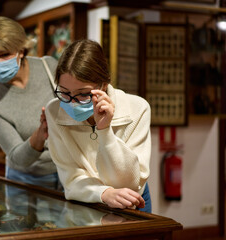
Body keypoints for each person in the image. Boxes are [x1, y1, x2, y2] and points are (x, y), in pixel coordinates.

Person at [45, 39, 152, 212]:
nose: (72, 102)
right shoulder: (55, 110)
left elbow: (129, 183)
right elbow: (70, 177)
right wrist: (103, 193)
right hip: (84, 198)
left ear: (104, 84)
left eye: (83, 94)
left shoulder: (137, 109)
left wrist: (105, 131)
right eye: (64, 92)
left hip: (131, 201)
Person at [0, 16, 60, 190]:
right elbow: (17, 157)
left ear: (21, 50)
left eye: (5, 54)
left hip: (69, 170)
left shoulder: (50, 67)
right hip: (27, 179)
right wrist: (40, 134)